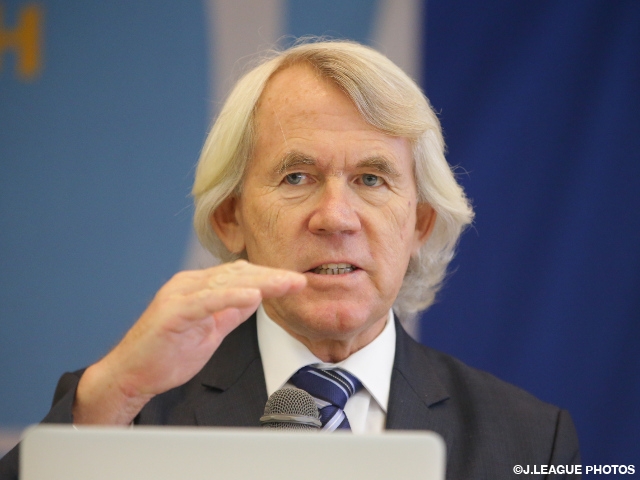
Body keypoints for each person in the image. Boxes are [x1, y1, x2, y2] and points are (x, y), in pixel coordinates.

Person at [0, 40, 580, 479]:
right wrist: (115, 395)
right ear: (231, 217)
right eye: (297, 177)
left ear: (419, 226)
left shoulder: (532, 441)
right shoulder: (127, 410)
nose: (336, 217)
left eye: (371, 179)